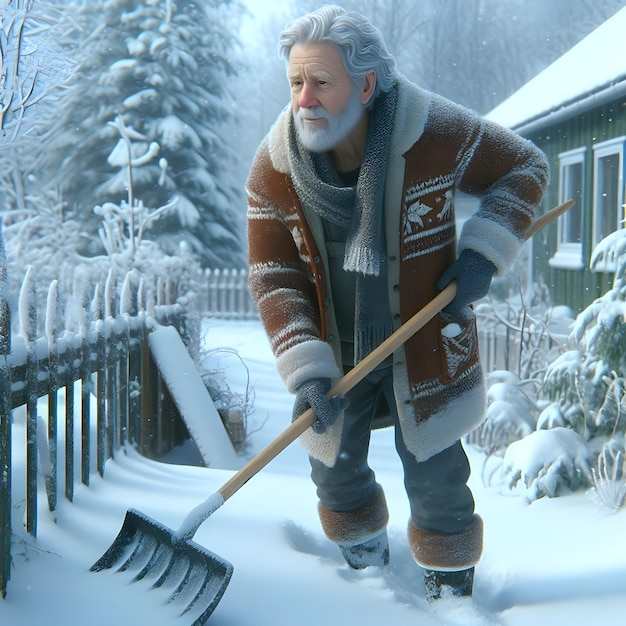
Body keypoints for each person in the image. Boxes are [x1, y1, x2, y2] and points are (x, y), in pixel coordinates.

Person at [246, 5, 548, 601]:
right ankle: (361, 579)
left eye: (321, 82)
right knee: (333, 472)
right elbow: (275, 275)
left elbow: (524, 166)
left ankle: (451, 588)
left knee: (438, 479)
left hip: (426, 342)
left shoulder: (430, 130)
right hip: (336, 352)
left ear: (365, 84)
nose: (304, 98)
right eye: (295, 82)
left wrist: (482, 255)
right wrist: (306, 370)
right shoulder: (274, 169)